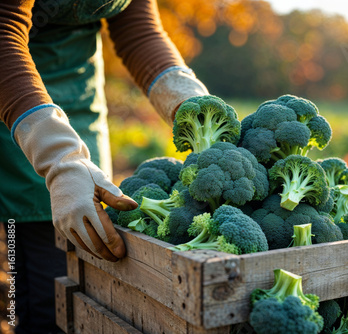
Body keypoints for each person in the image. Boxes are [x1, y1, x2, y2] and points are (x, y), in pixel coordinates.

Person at [0, 0, 209, 332]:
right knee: (42, 281)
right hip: (16, 100)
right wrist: (59, 158)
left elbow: (137, 32)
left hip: (80, 96)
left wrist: (194, 107)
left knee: (82, 263)